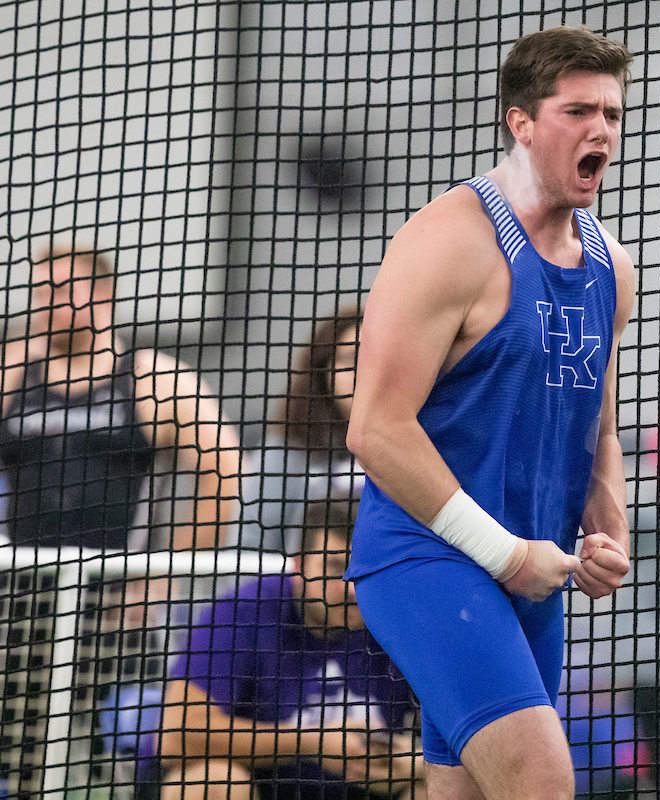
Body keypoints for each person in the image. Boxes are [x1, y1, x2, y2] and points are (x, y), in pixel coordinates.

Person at [343, 26, 637, 800]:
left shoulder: (613, 266)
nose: (602, 130)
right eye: (579, 110)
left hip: (532, 577)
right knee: (541, 784)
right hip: (427, 559)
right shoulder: (449, 242)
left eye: (611, 112)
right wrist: (504, 553)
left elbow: (597, 427)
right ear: (522, 122)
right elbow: (374, 429)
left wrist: (609, 529)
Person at [157, 497, 425, 800]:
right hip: (266, 790)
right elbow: (175, 737)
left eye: (365, 571)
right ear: (299, 565)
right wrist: (314, 742)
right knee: (211, 782)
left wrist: (417, 764)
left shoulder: (398, 621)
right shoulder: (244, 612)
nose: (351, 588)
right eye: (336, 567)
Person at [0, 241, 241, 551]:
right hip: (21, 589)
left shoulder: (157, 381)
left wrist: (162, 574)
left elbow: (227, 474)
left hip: (117, 588)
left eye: (60, 292)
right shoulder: (10, 378)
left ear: (104, 296)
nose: (44, 306)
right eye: (40, 295)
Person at [241, 306, 364, 554]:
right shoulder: (283, 458)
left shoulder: (425, 447)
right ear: (324, 369)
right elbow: (248, 555)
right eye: (353, 359)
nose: (365, 371)